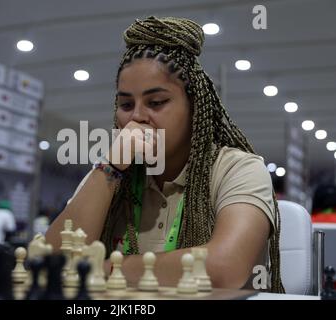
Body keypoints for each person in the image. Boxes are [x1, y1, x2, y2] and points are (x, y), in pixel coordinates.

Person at [46, 16, 284, 293]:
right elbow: (50, 262)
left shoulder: (238, 169)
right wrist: (109, 168)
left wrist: (98, 268)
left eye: (156, 102)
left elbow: (223, 270)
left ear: (194, 106)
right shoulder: (109, 173)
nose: (136, 117)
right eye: (125, 104)